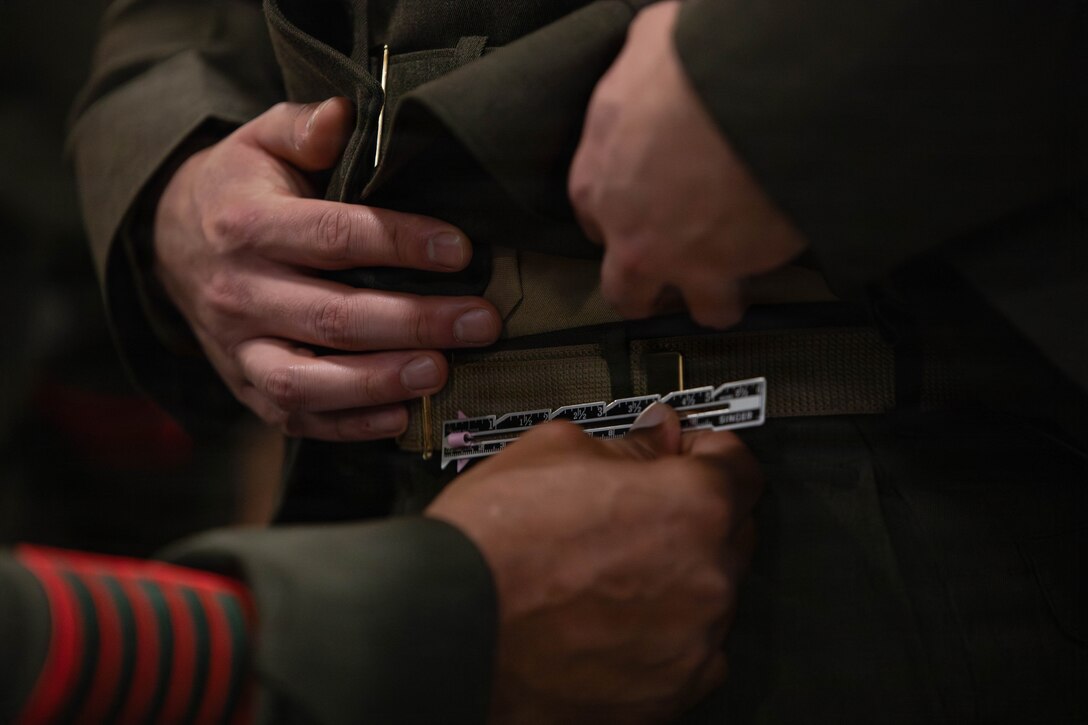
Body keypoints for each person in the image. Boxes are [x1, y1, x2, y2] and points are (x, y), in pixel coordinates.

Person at [71, 0, 1087, 722]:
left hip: (894, 507)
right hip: (392, 532)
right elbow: (170, 26)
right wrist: (176, 172)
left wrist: (781, 65)